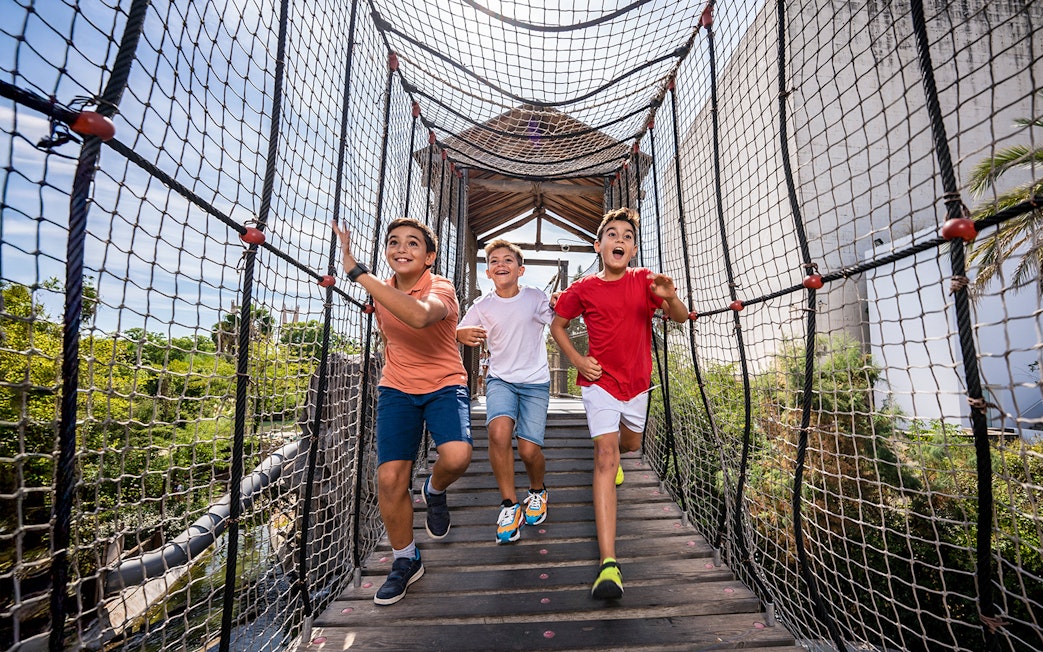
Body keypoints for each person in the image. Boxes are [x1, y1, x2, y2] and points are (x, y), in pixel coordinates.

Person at [549, 207, 689, 600]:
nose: (620, 240)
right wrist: (578, 360)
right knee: (605, 458)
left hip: (638, 385)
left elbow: (679, 318)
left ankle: (620, 458)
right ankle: (608, 564)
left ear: (633, 249)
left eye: (627, 236)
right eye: (612, 234)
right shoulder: (584, 288)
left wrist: (670, 296)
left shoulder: (647, 281)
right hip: (599, 383)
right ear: (599, 246)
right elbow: (557, 324)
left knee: (629, 446)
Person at [333, 217, 473, 606]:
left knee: (458, 457)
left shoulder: (441, 286)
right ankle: (406, 559)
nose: (401, 249)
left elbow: (419, 315)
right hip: (396, 388)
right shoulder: (381, 287)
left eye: (413, 244)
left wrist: (357, 272)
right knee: (390, 477)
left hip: (445, 383)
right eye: (394, 242)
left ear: (430, 257)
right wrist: (366, 278)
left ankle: (435, 488)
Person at [457, 239, 554, 544]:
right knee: (498, 433)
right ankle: (510, 505)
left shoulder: (536, 298)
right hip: (500, 380)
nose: (501, 264)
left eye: (508, 260)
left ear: (520, 269)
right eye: (494, 260)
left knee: (528, 450)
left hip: (536, 382)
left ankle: (538, 491)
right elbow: (458, 330)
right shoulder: (482, 306)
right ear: (488, 272)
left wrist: (562, 302)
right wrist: (463, 333)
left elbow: (560, 322)